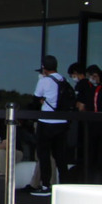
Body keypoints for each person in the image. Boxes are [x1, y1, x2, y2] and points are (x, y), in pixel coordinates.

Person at [30, 54, 73, 196]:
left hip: (46, 122)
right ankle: (65, 185)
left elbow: (35, 99)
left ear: (44, 68)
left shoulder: (44, 81)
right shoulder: (63, 79)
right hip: (61, 122)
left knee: (44, 155)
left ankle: (45, 186)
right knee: (60, 156)